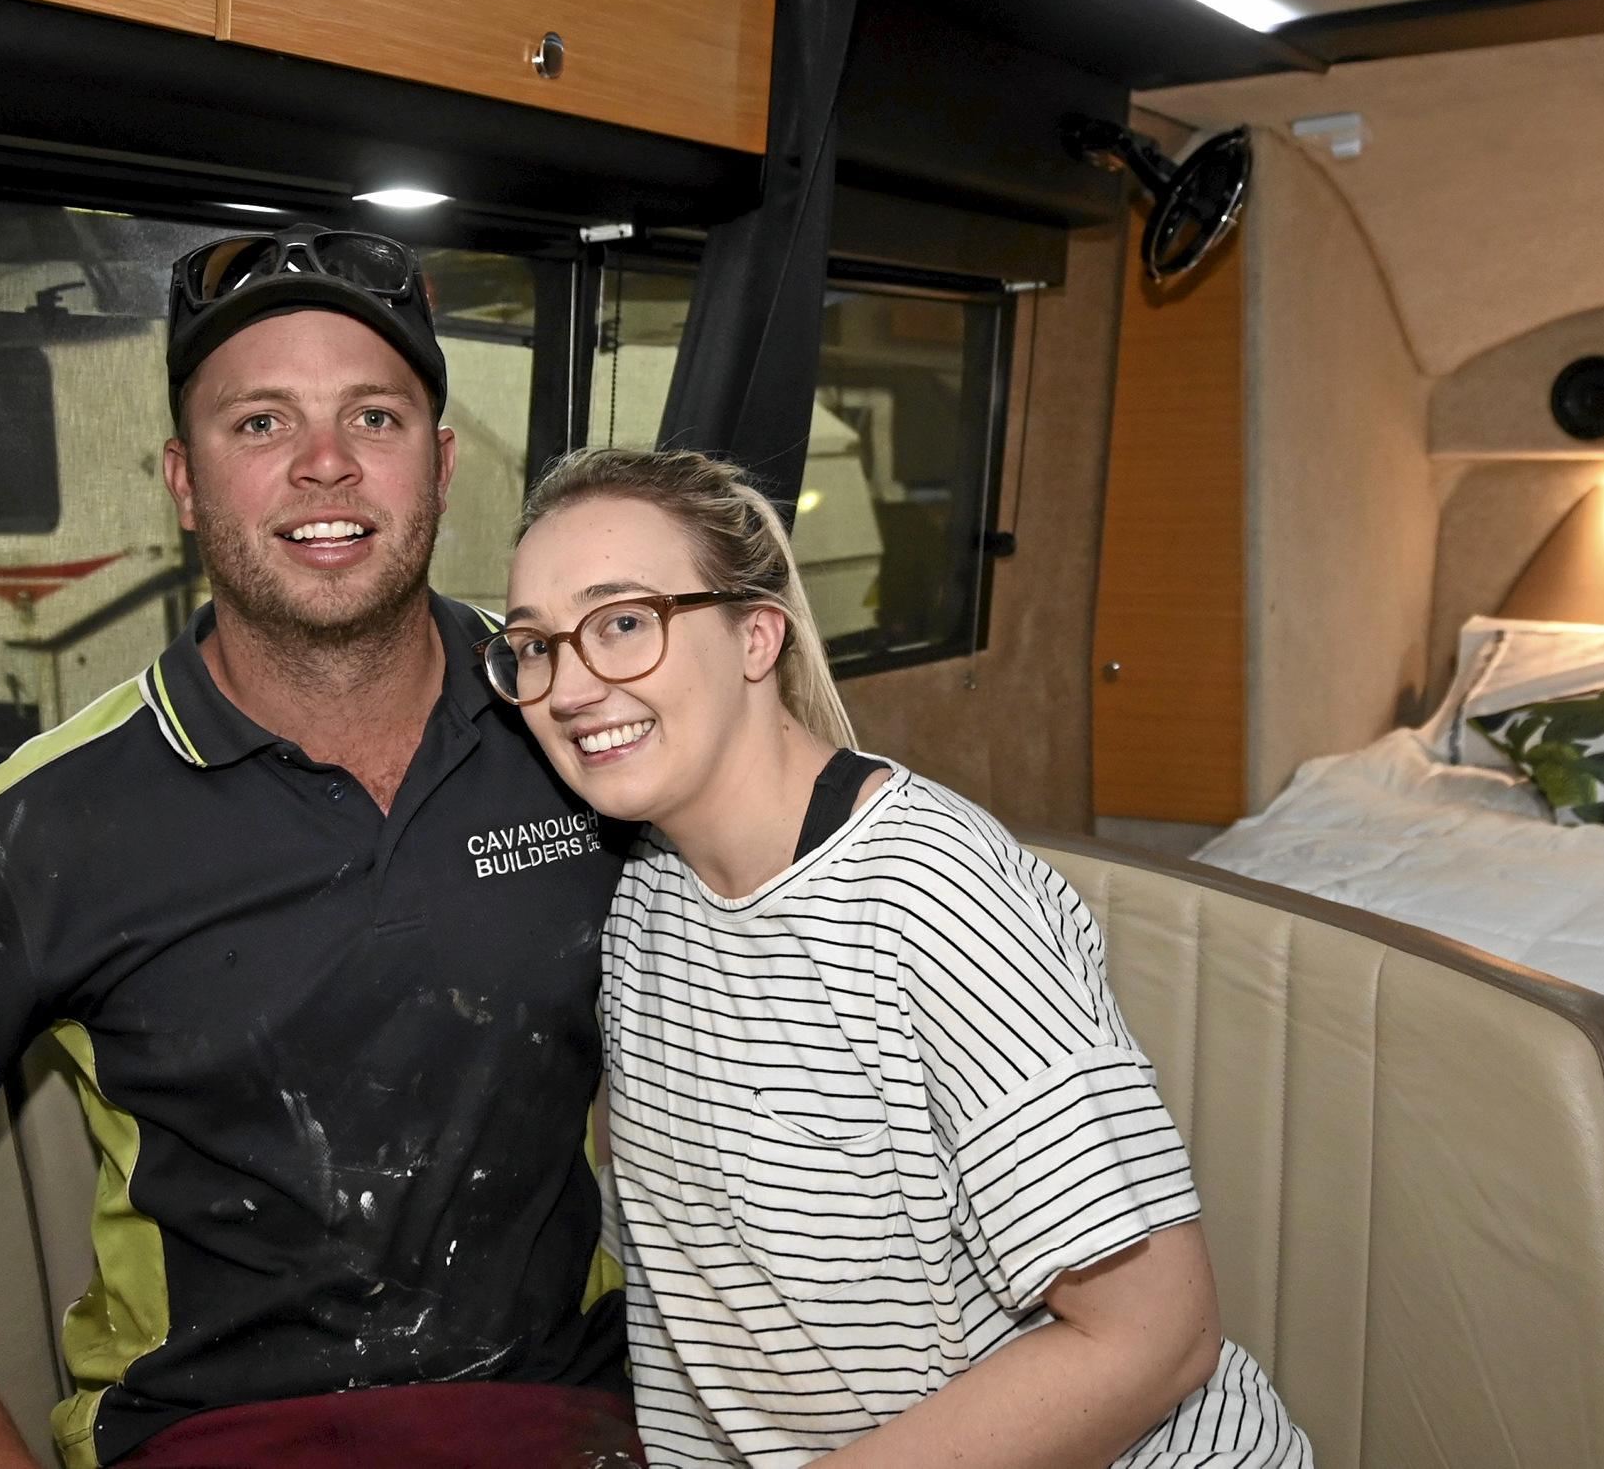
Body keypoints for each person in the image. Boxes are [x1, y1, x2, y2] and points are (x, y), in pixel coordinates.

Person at [0, 226, 641, 1469]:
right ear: (183, 483)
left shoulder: (582, 726)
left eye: (372, 419)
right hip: (226, 1436)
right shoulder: (47, 824)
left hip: (567, 1415)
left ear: (435, 466)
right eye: (260, 425)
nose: (325, 465)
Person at [487, 446, 1312, 1469]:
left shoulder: (931, 895)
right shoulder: (642, 898)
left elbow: (1156, 1336)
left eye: (622, 624)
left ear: (756, 636)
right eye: (532, 645)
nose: (568, 686)